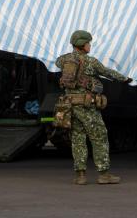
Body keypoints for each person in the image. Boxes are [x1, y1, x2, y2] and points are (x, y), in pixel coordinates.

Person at [55, 30, 131, 185]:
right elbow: (107, 72)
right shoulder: (91, 62)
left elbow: (57, 64)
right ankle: (104, 174)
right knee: (99, 137)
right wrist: (125, 79)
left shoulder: (63, 60)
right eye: (88, 43)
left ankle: (80, 176)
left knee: (78, 138)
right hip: (87, 107)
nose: (90, 46)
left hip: (70, 107)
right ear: (83, 45)